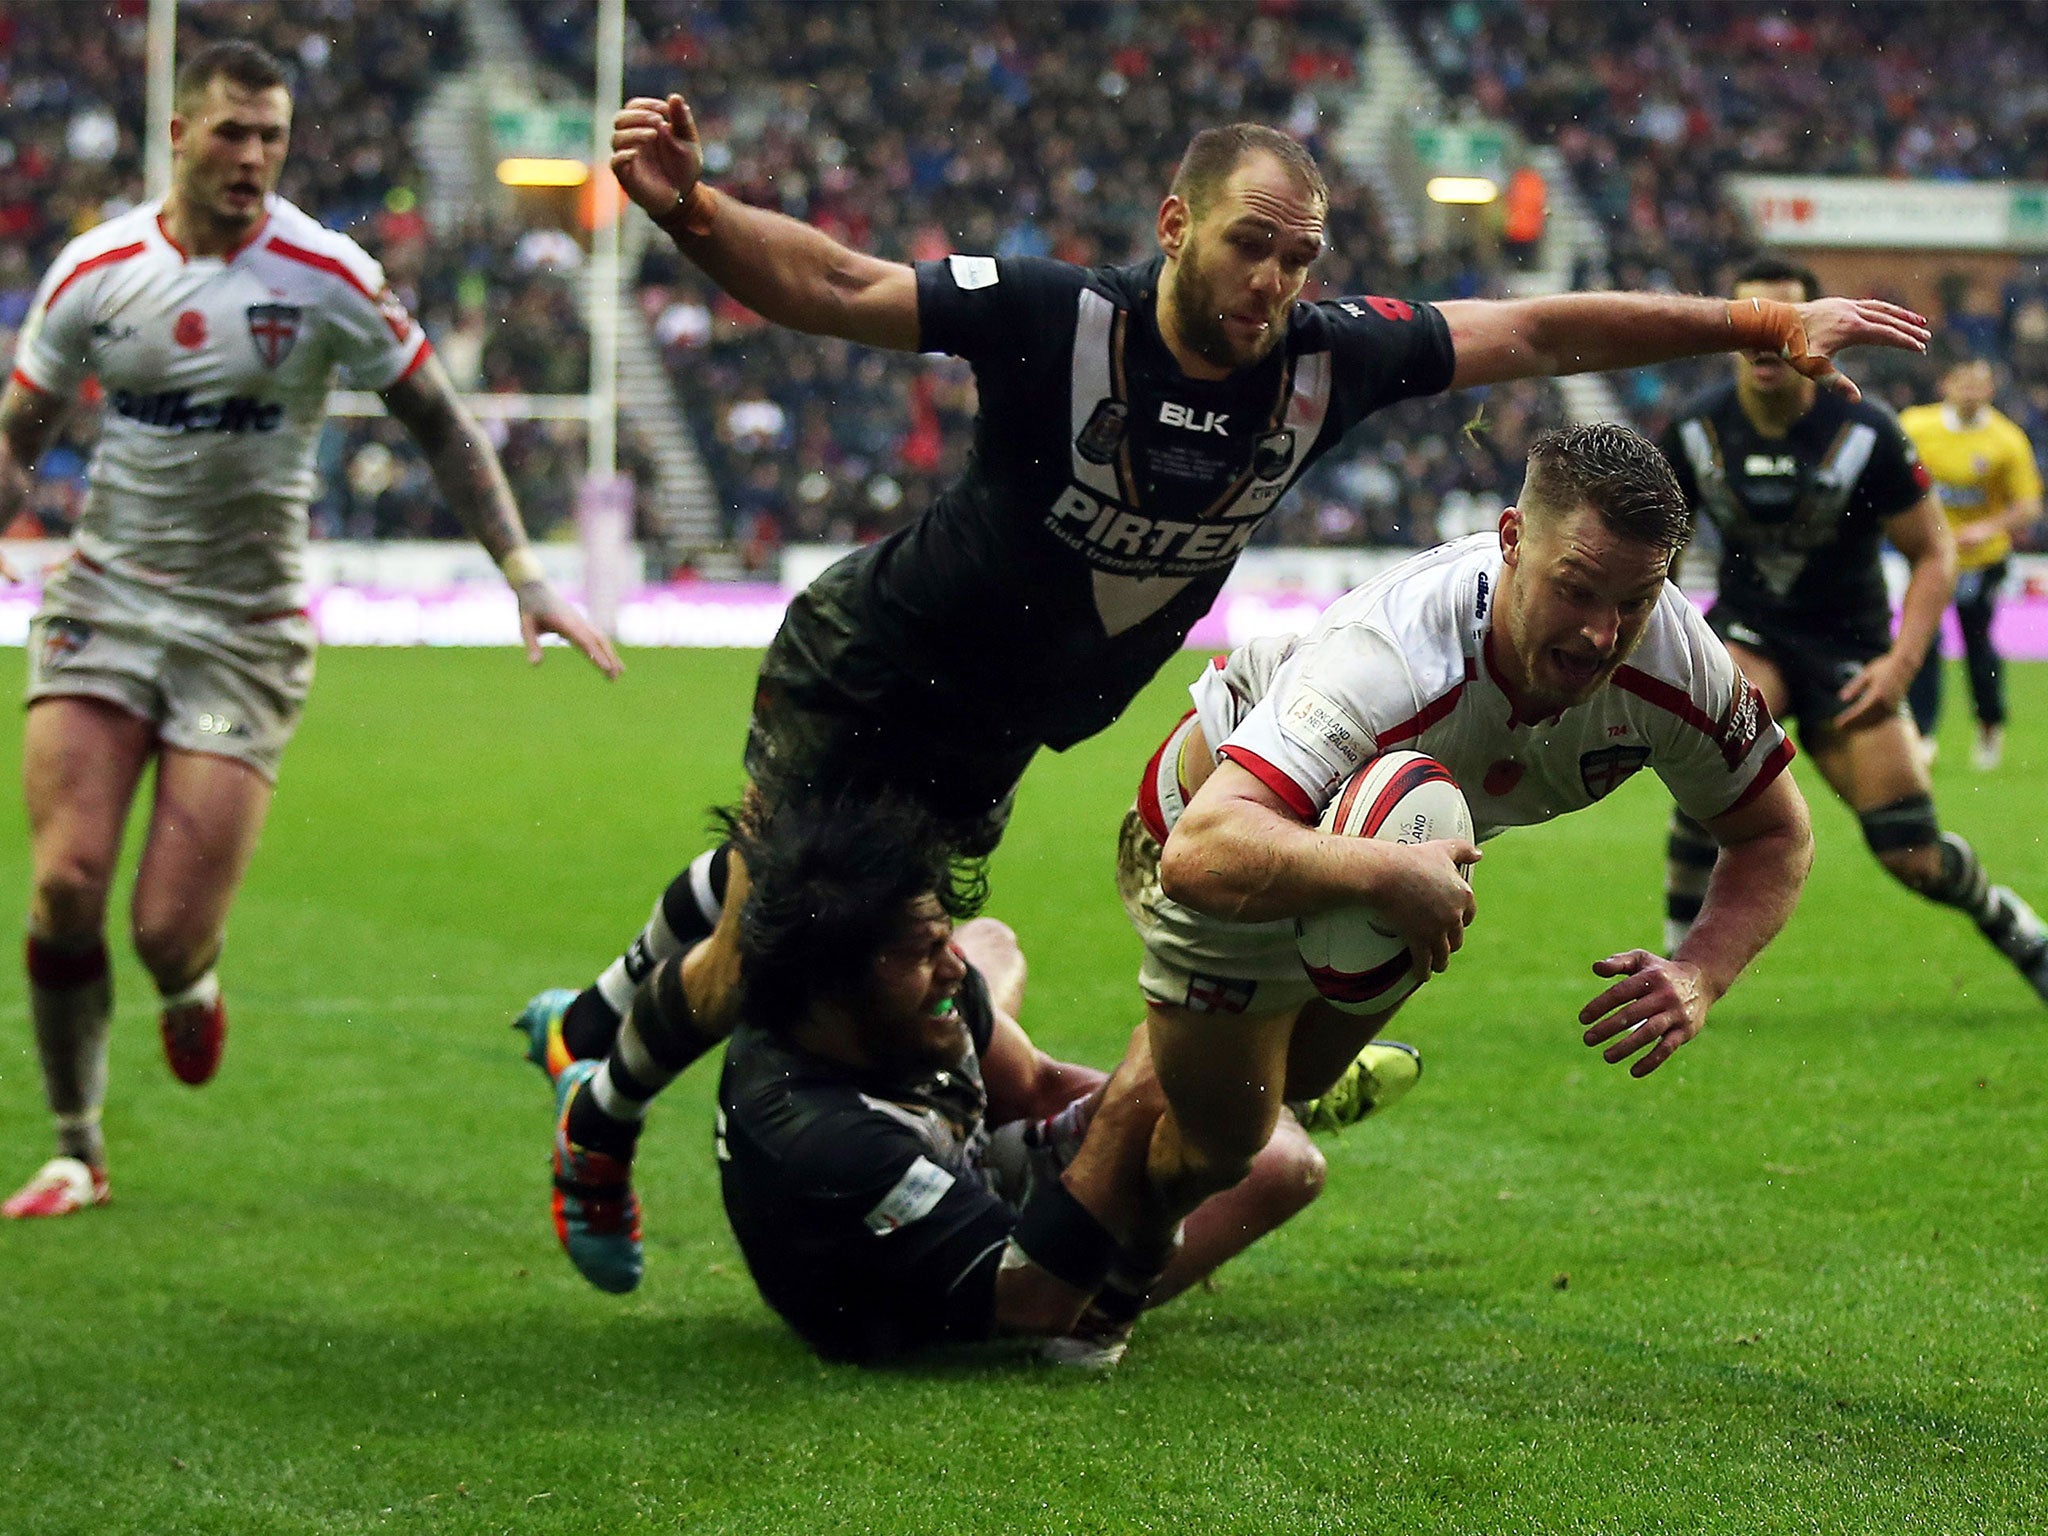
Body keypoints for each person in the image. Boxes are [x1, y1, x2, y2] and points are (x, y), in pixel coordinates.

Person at [524, 91, 1927, 1292]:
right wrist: (695, 213)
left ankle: (591, 1017)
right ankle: (599, 1110)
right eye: (1252, 245)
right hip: (879, 663)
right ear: (1176, 225)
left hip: (1005, 718)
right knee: (790, 930)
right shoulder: (1053, 318)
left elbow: (1544, 331)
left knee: (847, 893)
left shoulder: (1328, 361)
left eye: (1300, 256)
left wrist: (1752, 318)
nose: (1275, 281)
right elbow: (836, 287)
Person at [0, 41, 621, 1220]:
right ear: (179, 136)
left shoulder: (323, 272)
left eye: (271, 138)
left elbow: (438, 422)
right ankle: (78, 1146)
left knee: (166, 935)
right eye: (231, 133)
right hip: (105, 607)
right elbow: (21, 437)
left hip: (243, 638)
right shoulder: (95, 272)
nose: (252, 158)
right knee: (67, 883)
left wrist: (525, 570)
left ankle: (190, 984)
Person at [1078, 422, 1814, 1355]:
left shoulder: (1681, 666)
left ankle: (1253, 1069)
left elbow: (1775, 833)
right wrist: (1386, 871)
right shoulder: (1392, 652)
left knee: (1297, 1071)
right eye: (1576, 590)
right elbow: (1203, 851)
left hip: (1404, 843)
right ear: (1511, 540)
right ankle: (1128, 1268)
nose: (1600, 634)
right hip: (1223, 822)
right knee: (1222, 1146)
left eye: (1635, 600)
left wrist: (1702, 972)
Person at [530, 791, 1367, 1363]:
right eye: (915, 952)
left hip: (957, 1154)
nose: (945, 966)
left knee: (996, 946)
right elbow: (1028, 1295)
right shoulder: (826, 1142)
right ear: (829, 989)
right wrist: (1149, 1096)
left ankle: (1224, 1115)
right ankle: (1112, 1303)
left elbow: (1036, 1087)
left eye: (937, 939)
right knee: (1282, 1163)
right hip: (903, 1299)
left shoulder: (901, 988)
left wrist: (1193, 1100)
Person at [1658, 258, 2048, 1005]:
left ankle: (2013, 924)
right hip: (1749, 631)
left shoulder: (1868, 433)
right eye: (1752, 322)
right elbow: (1658, 549)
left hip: (1851, 649)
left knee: (1912, 855)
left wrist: (1901, 667)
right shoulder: (1695, 428)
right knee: (1715, 724)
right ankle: (1679, 952)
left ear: (1819, 333)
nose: (1769, 339)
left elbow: (1934, 553)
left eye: (1788, 321)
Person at [1900, 357, 2044, 770]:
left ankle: (1989, 723)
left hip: (1980, 560)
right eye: (1963, 381)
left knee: (1978, 645)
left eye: (1979, 383)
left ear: (1990, 390)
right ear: (1946, 383)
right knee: (1924, 642)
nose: (1970, 390)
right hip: (1927, 555)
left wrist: (1987, 528)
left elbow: (2028, 506)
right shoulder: (1915, 426)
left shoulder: (2007, 440)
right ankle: (1923, 734)